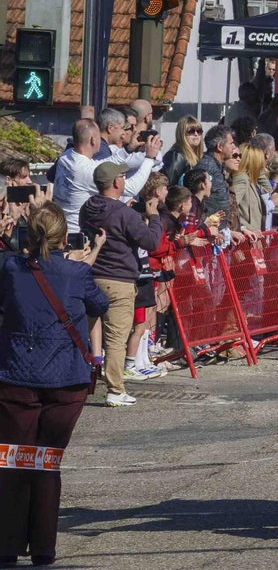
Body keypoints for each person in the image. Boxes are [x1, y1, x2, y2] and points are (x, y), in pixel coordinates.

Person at [0, 202, 109, 567]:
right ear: (65, 237)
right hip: (65, 378)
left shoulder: (11, 267)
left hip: (17, 373)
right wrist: (80, 262)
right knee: (47, 462)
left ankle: (8, 545)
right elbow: (100, 303)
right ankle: (44, 547)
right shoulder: (75, 272)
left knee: (15, 462)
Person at [78, 161, 164, 405]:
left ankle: (84, 381)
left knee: (88, 334)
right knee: (116, 338)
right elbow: (150, 241)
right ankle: (115, 390)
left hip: (91, 276)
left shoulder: (87, 208)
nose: (125, 180)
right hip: (119, 280)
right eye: (123, 176)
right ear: (116, 182)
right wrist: (153, 216)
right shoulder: (124, 213)